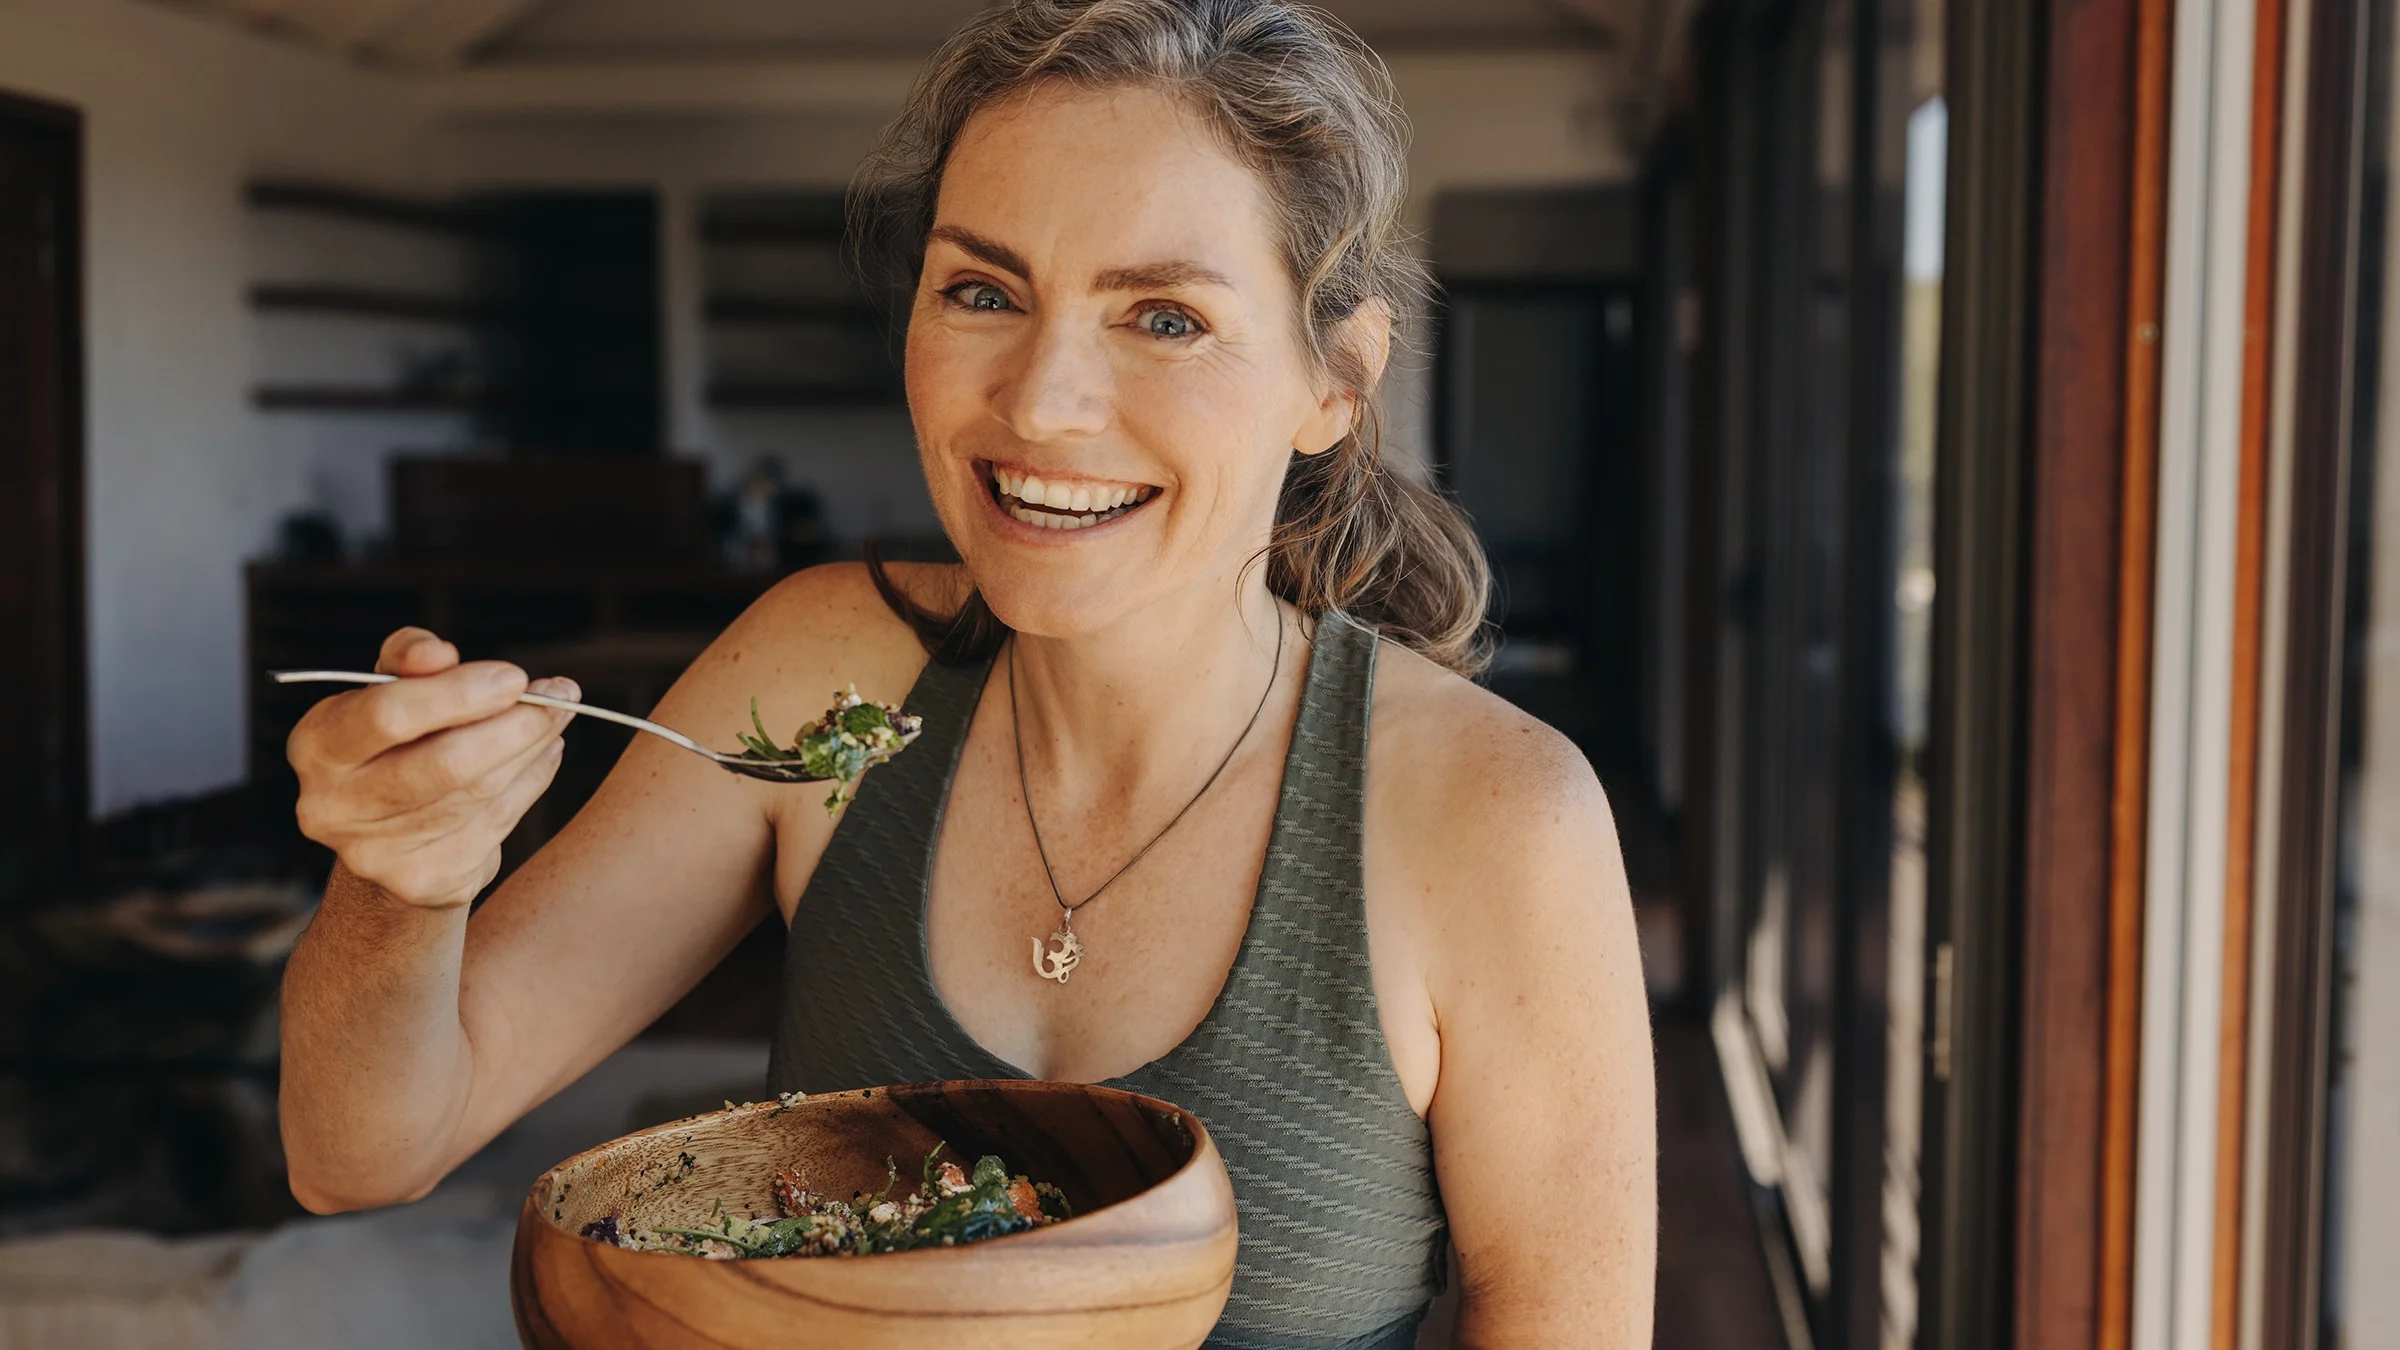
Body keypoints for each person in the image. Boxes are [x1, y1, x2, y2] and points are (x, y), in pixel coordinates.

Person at [276, 2, 1655, 1344]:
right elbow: (361, 1149)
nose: (1042, 401)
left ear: (1337, 380)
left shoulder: (1497, 820)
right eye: (983, 291)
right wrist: (404, 882)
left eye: (1164, 316)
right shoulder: (822, 670)